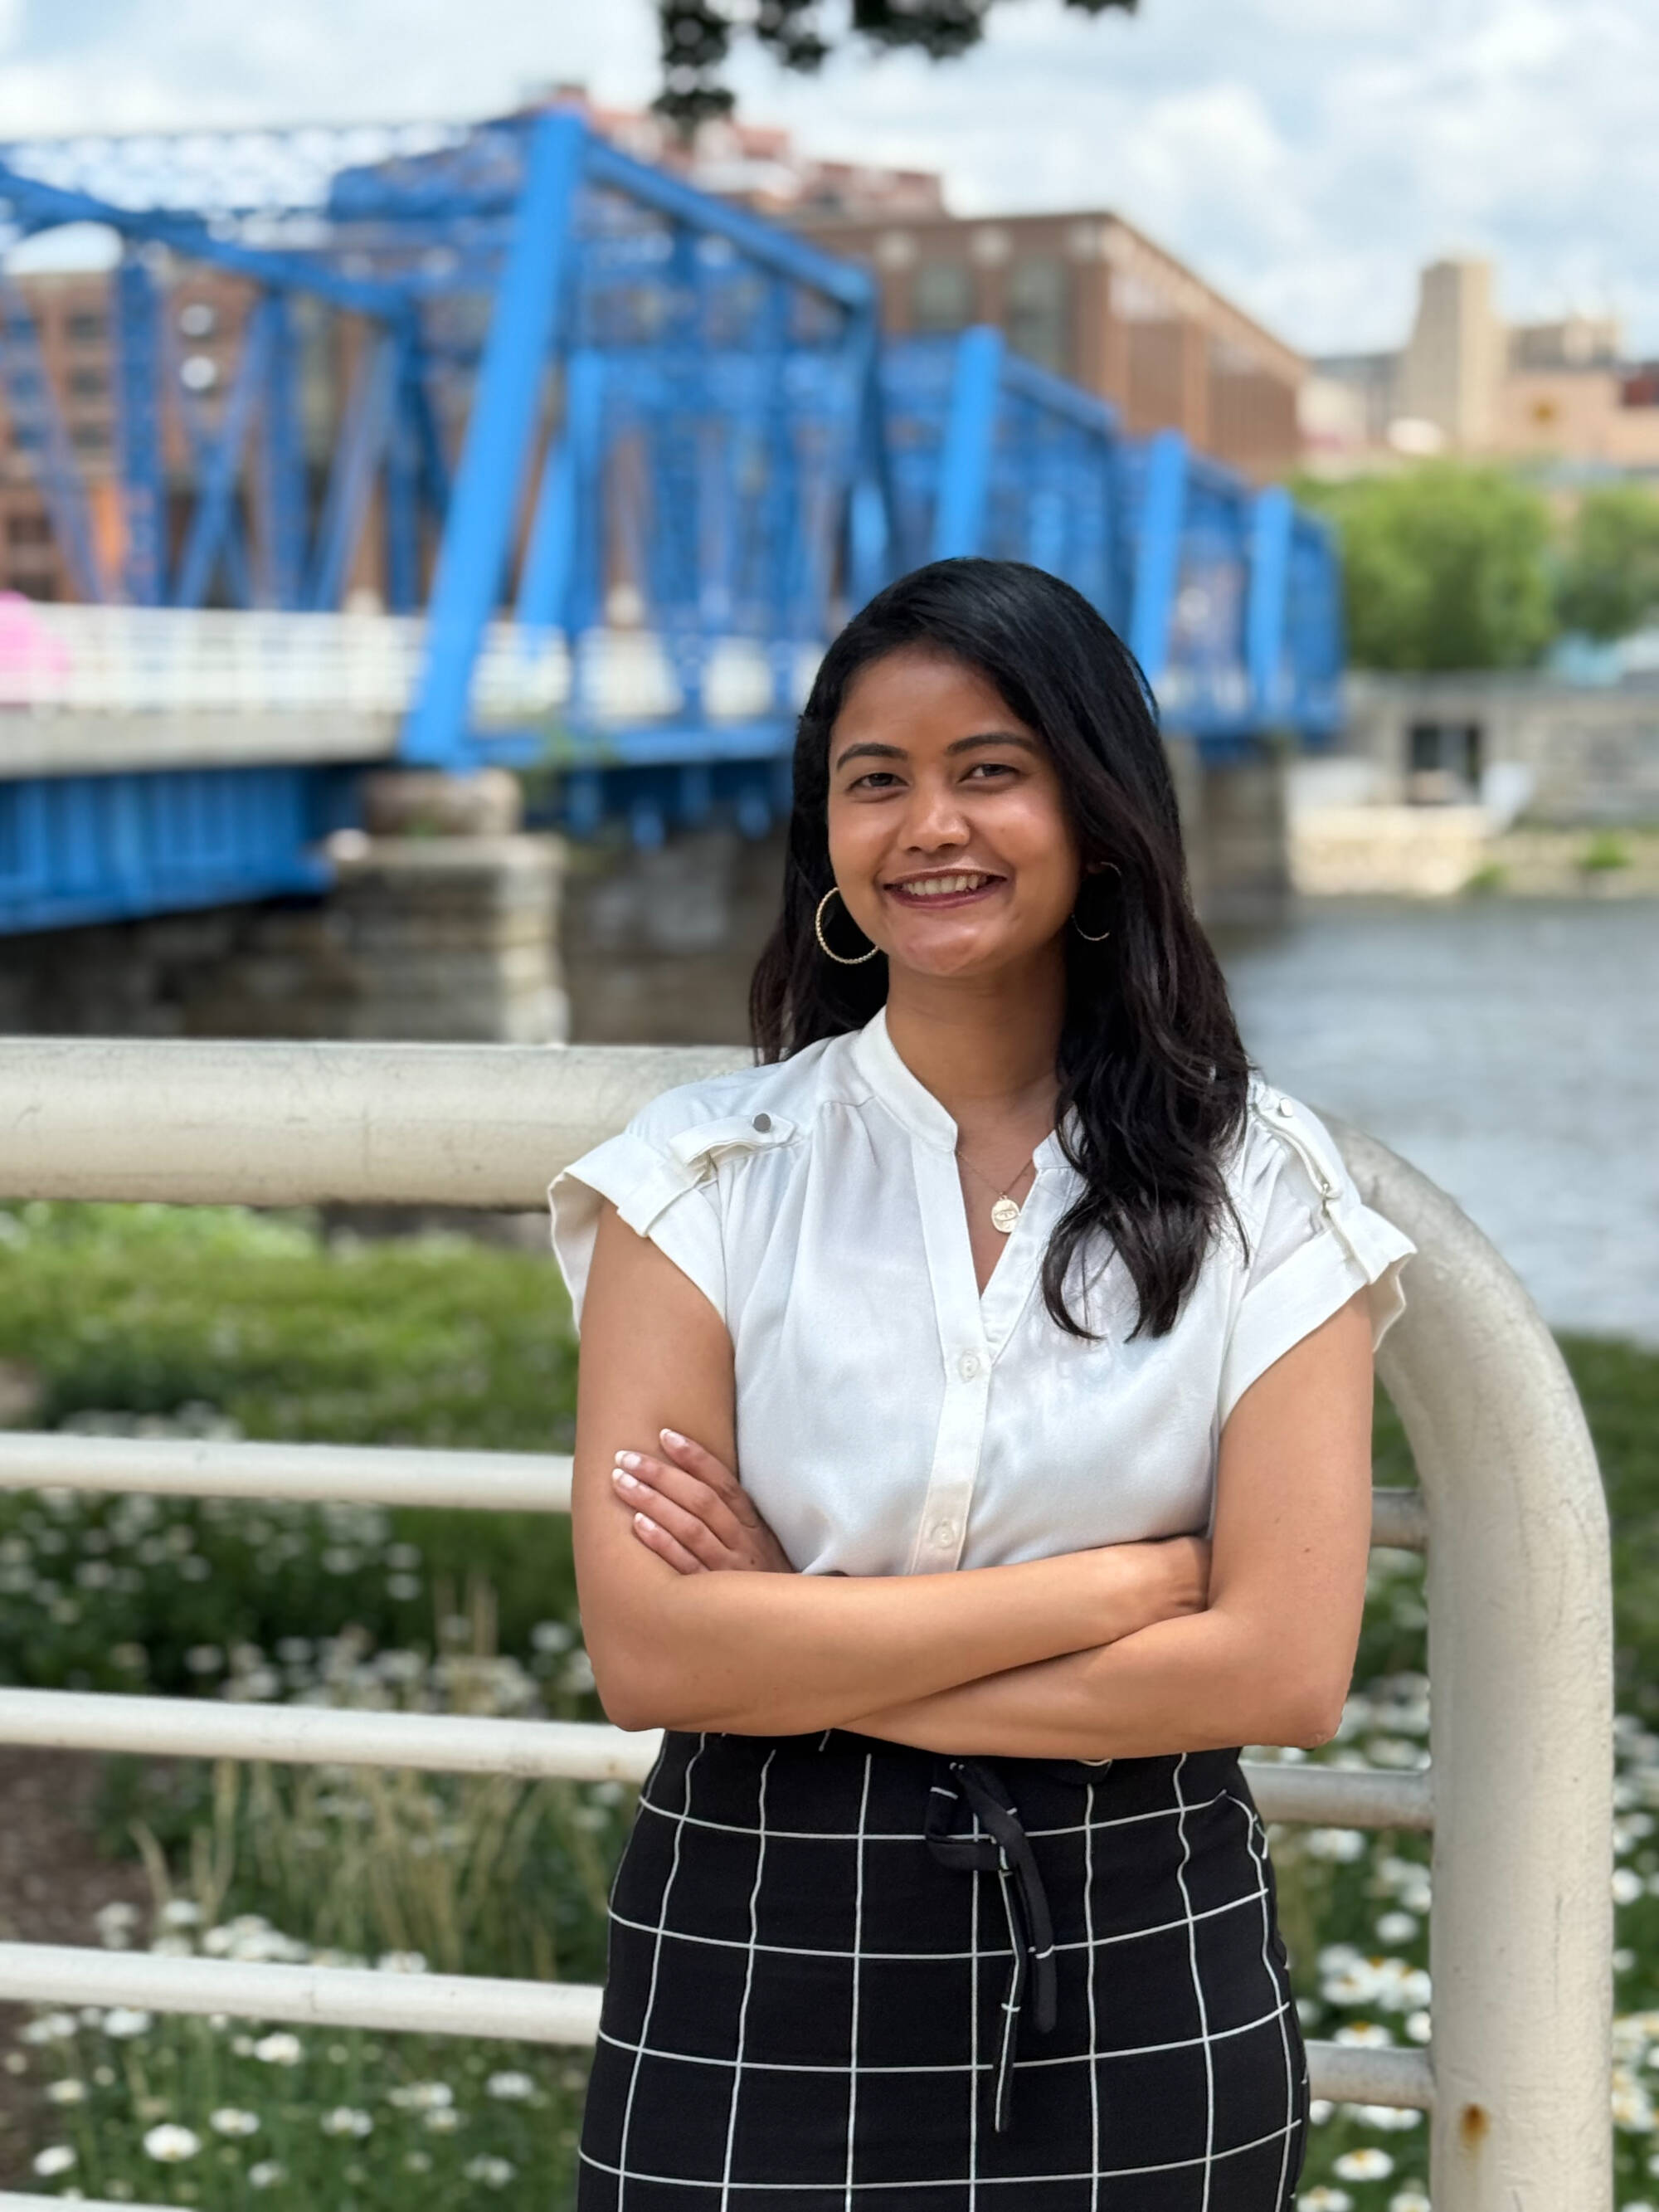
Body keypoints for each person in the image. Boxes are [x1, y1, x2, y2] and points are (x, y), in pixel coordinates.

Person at [550, 557, 1417, 2210]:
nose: (925, 824)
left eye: (989, 771)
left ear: (1094, 811)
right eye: (875, 781)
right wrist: (1114, 1590)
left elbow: (1281, 1673)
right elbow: (652, 1645)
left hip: (1133, 1965)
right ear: (827, 837)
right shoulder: (701, 1175)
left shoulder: (1264, 1185)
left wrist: (792, 1648)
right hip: (751, 1943)